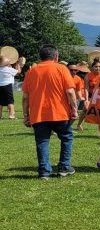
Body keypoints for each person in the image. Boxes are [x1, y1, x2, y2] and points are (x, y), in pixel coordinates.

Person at [21, 45, 78, 179]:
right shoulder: (61, 68)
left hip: (38, 114)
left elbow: (25, 97)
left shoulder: (31, 72)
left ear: (40, 56)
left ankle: (44, 171)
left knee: (42, 141)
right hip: (60, 113)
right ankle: (64, 167)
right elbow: (70, 92)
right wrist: (74, 109)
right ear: (56, 56)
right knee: (66, 138)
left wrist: (26, 115)